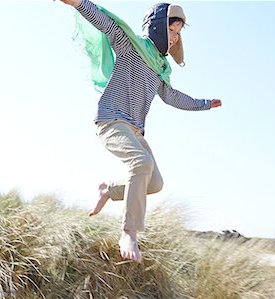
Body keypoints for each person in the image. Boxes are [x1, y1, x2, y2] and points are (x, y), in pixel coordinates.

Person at [59, 0, 222, 263]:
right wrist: (78, 3)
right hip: (111, 121)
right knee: (141, 163)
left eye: (179, 34)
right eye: (172, 30)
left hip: (135, 130)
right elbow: (105, 22)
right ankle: (129, 232)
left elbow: (172, 97)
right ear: (157, 26)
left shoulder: (159, 68)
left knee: (155, 182)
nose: (175, 38)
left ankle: (108, 191)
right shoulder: (129, 45)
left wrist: (204, 104)